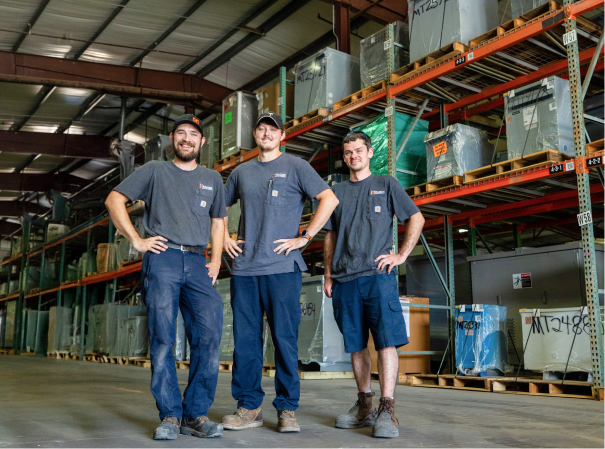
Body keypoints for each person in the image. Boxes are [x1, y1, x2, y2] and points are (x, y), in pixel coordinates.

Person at [105, 114, 226, 440]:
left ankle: (195, 415)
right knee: (162, 338)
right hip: (163, 257)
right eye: (181, 133)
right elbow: (114, 200)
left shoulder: (213, 178)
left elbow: (218, 221)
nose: (187, 138)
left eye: (193, 134)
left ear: (202, 142)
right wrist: (136, 240)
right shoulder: (155, 170)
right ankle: (170, 415)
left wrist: (216, 259)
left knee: (209, 333)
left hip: (198, 261)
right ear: (173, 139)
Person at [221, 112, 339, 433]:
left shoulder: (296, 166)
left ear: (282, 135)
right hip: (245, 269)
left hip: (283, 268)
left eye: (272, 129)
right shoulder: (241, 172)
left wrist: (305, 237)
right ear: (255, 135)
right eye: (261, 129)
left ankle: (287, 409)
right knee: (245, 342)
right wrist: (223, 237)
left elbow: (328, 199)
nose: (266, 133)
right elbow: (219, 206)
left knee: (284, 340)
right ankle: (249, 406)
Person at [322, 131, 425, 439]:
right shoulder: (337, 192)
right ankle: (365, 405)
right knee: (355, 345)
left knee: (386, 342)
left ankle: (387, 408)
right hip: (344, 279)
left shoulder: (386, 184)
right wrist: (328, 274)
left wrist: (401, 255)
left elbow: (416, 218)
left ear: (369, 153)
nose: (353, 155)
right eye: (348, 152)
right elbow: (330, 235)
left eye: (358, 150)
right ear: (344, 157)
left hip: (378, 277)